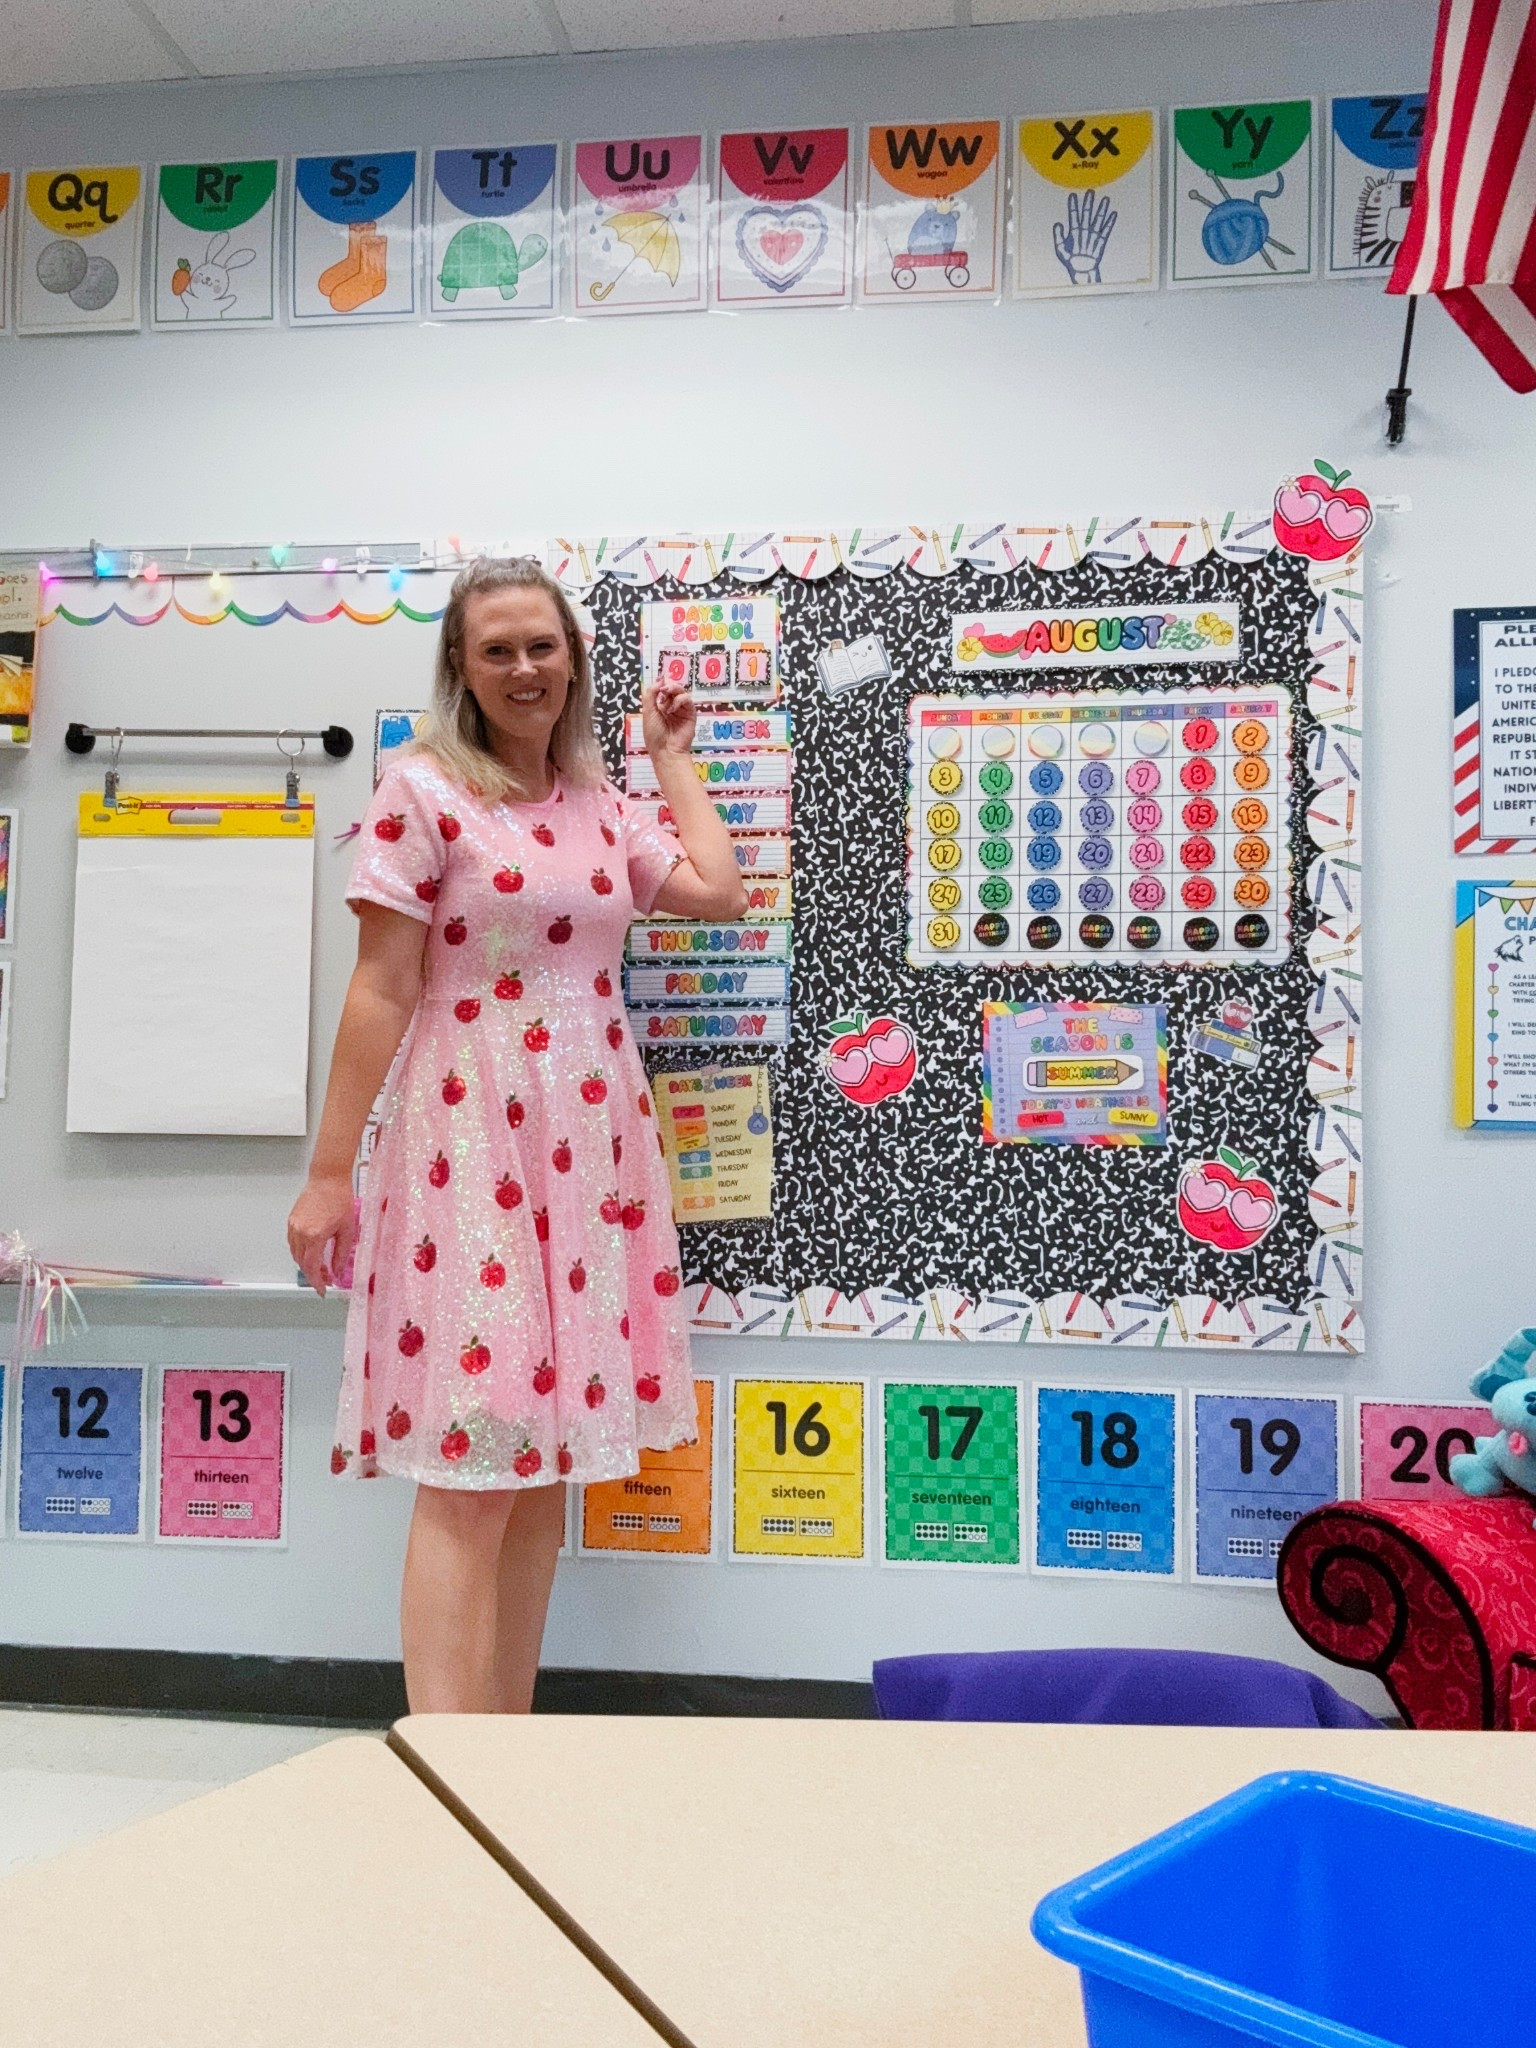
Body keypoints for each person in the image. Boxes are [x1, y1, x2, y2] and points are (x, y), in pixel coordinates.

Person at [287, 557, 745, 1712]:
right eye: (497, 649)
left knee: (547, 1461)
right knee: (474, 1453)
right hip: (468, 1136)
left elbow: (718, 888)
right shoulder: (420, 789)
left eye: (542, 645)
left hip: (590, 1145)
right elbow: (381, 988)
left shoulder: (600, 803)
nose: (524, 667)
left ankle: (506, 1742)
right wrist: (329, 1174)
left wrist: (671, 757)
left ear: (573, 659)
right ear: (462, 665)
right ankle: (448, 1758)